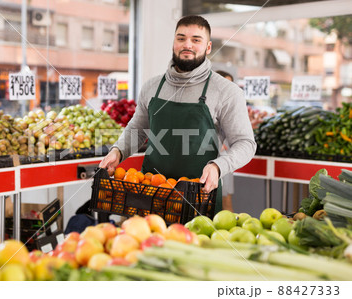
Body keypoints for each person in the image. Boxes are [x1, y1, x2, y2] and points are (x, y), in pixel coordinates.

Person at [99, 15, 256, 213]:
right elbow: (138, 129)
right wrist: (118, 151)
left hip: (199, 197)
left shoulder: (226, 91)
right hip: (149, 194)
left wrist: (218, 166)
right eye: (181, 38)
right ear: (174, 43)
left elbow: (245, 143)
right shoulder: (152, 86)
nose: (187, 45)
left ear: (208, 48)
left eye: (196, 40)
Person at [216, 70, 235, 212]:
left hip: (226, 157)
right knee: (221, 198)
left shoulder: (230, 105)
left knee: (226, 197)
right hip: (214, 156)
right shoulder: (210, 103)